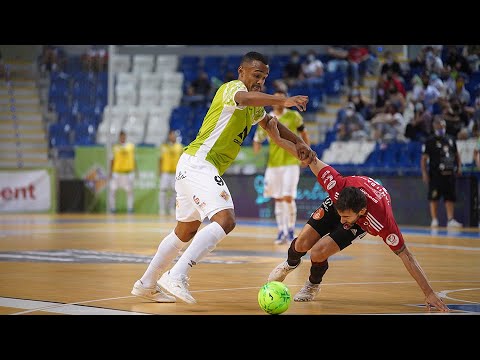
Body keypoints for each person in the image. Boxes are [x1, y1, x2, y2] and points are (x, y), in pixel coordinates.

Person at [131, 51, 316, 304]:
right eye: (256, 75)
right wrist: (283, 100)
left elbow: (275, 127)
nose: (260, 81)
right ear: (242, 71)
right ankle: (177, 275)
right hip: (199, 164)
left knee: (184, 232)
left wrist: (300, 147)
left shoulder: (253, 109)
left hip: (192, 165)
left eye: (264, 77)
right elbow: (247, 97)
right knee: (225, 219)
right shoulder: (232, 89)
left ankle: (146, 283)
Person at [264, 121, 450, 312]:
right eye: (340, 215)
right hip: (343, 200)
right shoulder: (336, 185)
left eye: (345, 218)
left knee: (318, 252)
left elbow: (406, 256)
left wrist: (429, 293)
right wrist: (277, 135)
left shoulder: (381, 221)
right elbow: (307, 154)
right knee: (302, 244)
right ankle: (290, 263)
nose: (341, 221)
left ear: (361, 213)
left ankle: (312, 285)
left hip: (361, 220)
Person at [253, 89, 310, 244]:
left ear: (285, 100)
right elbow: (258, 137)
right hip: (273, 164)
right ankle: (281, 231)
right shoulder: (267, 117)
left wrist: (306, 152)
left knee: (288, 197)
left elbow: (304, 134)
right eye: (275, 99)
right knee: (278, 199)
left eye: (281, 99)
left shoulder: (294, 116)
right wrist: (256, 148)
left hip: (291, 162)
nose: (278, 101)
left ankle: (291, 230)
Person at [421, 117, 462, 228]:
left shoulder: (451, 139)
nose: (441, 128)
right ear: (434, 127)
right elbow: (424, 159)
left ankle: (450, 219)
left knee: (450, 197)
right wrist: (424, 173)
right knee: (434, 197)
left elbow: (457, 155)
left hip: (449, 173)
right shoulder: (430, 141)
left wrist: (459, 167)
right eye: (438, 126)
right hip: (435, 175)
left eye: (443, 126)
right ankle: (434, 220)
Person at [109, 130, 136, 214]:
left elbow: (133, 160)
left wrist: (135, 170)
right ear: (119, 137)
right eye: (121, 136)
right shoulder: (115, 147)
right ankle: (112, 209)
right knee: (112, 190)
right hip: (117, 173)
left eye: (124, 136)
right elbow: (112, 160)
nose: (122, 138)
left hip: (127, 173)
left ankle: (130, 209)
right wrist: (110, 172)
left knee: (130, 192)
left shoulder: (131, 146)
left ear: (126, 136)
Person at [158, 129, 183, 216]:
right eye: (171, 135)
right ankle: (162, 209)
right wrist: (159, 170)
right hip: (165, 172)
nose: (173, 137)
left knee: (175, 192)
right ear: (169, 136)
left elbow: (182, 160)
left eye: (174, 135)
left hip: (175, 173)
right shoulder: (164, 146)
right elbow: (160, 159)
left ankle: (172, 208)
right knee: (163, 191)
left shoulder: (179, 147)